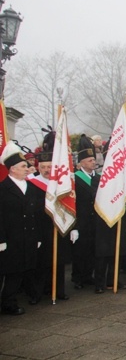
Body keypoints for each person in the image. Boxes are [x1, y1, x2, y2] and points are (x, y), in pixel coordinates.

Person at [25, 133, 71, 303]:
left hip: (57, 225)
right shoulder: (31, 184)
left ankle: (58, 290)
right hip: (40, 227)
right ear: (38, 167)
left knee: (59, 261)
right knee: (41, 263)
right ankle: (37, 293)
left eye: (49, 166)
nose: (46, 169)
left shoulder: (60, 185)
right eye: (43, 166)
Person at [0, 142, 41, 315]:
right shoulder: (2, 189)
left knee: (19, 272)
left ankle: (9, 302)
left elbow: (37, 215)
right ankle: (6, 302)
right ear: (12, 169)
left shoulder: (32, 188)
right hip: (9, 239)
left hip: (28, 238)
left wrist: (37, 237)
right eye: (23, 166)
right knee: (7, 272)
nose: (27, 168)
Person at [71, 135, 99, 291]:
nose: (93, 162)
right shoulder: (75, 179)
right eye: (89, 160)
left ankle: (89, 275)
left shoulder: (98, 178)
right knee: (80, 251)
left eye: (94, 160)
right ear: (81, 163)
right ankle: (78, 277)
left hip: (94, 220)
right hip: (81, 220)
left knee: (92, 249)